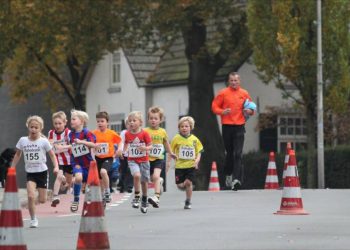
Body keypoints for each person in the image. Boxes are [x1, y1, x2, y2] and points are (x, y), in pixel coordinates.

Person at [11, 116, 59, 228]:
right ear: (28, 127)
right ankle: (33, 219)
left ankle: (32, 204)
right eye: (31, 127)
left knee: (42, 200)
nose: (33, 129)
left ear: (40, 128)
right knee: (31, 196)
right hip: (30, 173)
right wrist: (12, 167)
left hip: (42, 172)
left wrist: (56, 166)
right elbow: (18, 154)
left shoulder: (44, 141)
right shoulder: (23, 140)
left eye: (36, 127)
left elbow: (52, 155)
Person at [211, 72, 255, 191]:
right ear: (229, 81)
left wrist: (249, 111)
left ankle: (237, 180)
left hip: (240, 126)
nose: (234, 82)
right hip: (227, 126)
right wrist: (222, 111)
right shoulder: (223, 93)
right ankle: (228, 175)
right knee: (229, 153)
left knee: (238, 153)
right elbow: (214, 106)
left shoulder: (244, 93)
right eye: (232, 80)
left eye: (236, 80)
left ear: (239, 81)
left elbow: (252, 108)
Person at [144, 106, 175, 208]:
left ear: (160, 120)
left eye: (155, 118)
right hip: (147, 159)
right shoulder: (145, 131)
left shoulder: (162, 131)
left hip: (159, 158)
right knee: (152, 179)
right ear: (148, 119)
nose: (153, 120)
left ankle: (156, 197)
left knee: (156, 176)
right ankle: (159, 182)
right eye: (151, 118)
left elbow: (166, 143)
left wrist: (170, 153)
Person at [170, 116, 203, 209]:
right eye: (182, 126)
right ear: (179, 128)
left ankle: (188, 201)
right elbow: (171, 151)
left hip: (191, 166)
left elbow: (199, 151)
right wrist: (170, 160)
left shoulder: (194, 139)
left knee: (188, 183)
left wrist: (197, 160)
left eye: (186, 126)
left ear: (190, 127)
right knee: (180, 186)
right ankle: (185, 185)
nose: (184, 128)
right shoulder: (176, 138)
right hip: (179, 166)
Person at [123, 111, 152, 214]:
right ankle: (136, 196)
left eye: (134, 120)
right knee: (136, 175)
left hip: (144, 160)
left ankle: (144, 199)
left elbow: (150, 146)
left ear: (140, 122)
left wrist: (145, 147)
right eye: (130, 121)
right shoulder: (127, 134)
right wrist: (124, 151)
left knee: (144, 182)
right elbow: (126, 143)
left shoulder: (144, 133)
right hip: (132, 160)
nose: (131, 123)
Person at [69, 109, 96, 212]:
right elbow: (71, 146)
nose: (71, 121)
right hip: (76, 162)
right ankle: (76, 199)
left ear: (82, 121)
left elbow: (93, 145)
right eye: (71, 119)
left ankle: (97, 200)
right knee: (78, 178)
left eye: (74, 119)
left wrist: (82, 142)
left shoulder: (87, 133)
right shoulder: (71, 134)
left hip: (88, 163)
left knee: (91, 185)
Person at [92, 111, 122, 204]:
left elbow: (120, 141)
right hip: (97, 158)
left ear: (107, 122)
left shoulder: (111, 133)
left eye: (102, 121)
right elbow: (89, 143)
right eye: (98, 121)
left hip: (108, 157)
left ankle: (107, 192)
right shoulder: (93, 133)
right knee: (100, 180)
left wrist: (120, 150)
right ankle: (103, 200)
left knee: (103, 172)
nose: (100, 123)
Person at [48, 111, 73, 207]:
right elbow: (49, 144)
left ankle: (65, 183)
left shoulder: (68, 133)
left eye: (60, 123)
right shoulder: (51, 133)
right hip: (58, 160)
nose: (57, 126)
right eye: (55, 123)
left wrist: (63, 147)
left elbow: (73, 146)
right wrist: (50, 143)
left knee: (67, 184)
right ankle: (55, 197)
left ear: (65, 123)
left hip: (69, 160)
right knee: (58, 176)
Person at [118, 119, 133, 193]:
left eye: (131, 123)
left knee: (130, 170)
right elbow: (121, 141)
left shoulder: (136, 132)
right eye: (128, 124)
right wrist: (120, 151)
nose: (130, 125)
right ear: (126, 125)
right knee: (123, 170)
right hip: (124, 154)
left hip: (133, 155)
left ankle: (129, 186)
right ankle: (121, 185)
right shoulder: (124, 132)